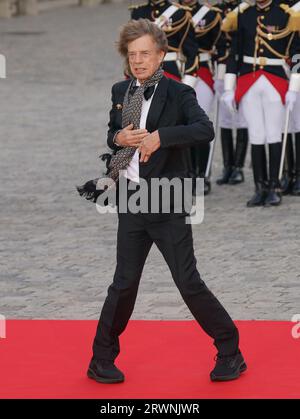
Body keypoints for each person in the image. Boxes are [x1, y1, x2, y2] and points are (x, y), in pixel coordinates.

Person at [83, 19, 246, 384]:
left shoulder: (180, 93)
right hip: (131, 197)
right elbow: (114, 134)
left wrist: (161, 137)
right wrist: (119, 137)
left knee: (187, 282)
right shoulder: (120, 90)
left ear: (160, 56)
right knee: (123, 284)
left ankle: (230, 350)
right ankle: (101, 358)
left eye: (145, 54)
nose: (138, 60)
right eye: (132, 54)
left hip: (167, 199)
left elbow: (204, 130)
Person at [222, 0, 300, 207]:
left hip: (276, 80)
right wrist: (229, 88)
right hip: (248, 79)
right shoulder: (243, 14)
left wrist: (294, 88)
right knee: (256, 134)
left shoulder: (287, 15)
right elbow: (234, 54)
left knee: (273, 134)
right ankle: (260, 187)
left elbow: (296, 54)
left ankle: (274, 186)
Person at [180, 0, 223, 195]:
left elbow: (220, 47)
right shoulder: (168, 13)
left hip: (202, 73)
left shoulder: (210, 15)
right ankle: (187, 173)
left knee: (200, 124)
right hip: (175, 70)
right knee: (180, 126)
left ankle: (202, 174)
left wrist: (223, 78)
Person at [214, 0, 249, 186]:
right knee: (225, 119)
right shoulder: (215, 11)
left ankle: (239, 167)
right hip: (222, 67)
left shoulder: (246, 10)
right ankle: (228, 166)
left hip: (243, 67)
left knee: (243, 117)